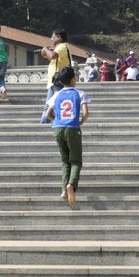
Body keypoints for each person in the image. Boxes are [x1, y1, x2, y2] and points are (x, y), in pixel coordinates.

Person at [45, 66, 89, 206]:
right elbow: (86, 113)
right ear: (73, 79)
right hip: (72, 128)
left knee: (65, 161)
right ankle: (71, 184)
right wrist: (80, 122)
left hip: (58, 128)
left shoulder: (56, 95)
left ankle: (64, 190)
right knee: (76, 161)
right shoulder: (80, 93)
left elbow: (48, 114)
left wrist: (57, 121)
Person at [39, 29, 72, 123]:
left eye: (53, 37)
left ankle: (56, 124)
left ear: (59, 37)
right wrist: (46, 54)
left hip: (59, 81)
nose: (51, 39)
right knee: (49, 107)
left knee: (55, 106)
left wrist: (45, 49)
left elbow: (53, 56)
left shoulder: (63, 46)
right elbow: (54, 60)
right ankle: (47, 124)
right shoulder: (60, 47)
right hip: (54, 81)